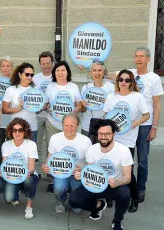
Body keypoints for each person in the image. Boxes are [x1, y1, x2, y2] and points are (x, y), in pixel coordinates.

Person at [69, 119, 133, 230]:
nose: (103, 137)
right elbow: (89, 171)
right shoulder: (92, 150)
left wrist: (118, 182)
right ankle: (99, 205)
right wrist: (81, 175)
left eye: (107, 134)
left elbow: (127, 177)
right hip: (95, 184)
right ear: (97, 134)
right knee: (74, 201)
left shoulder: (123, 150)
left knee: (125, 195)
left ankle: (117, 220)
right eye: (100, 134)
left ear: (113, 134)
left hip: (114, 185)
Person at [103, 69, 149, 212]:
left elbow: (147, 115)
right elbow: (105, 114)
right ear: (117, 82)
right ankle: (110, 195)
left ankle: (134, 198)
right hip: (112, 138)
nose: (123, 82)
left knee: (127, 172)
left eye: (127, 80)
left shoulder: (137, 97)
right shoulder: (111, 97)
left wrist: (137, 122)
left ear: (132, 82)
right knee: (110, 166)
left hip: (128, 139)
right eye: (121, 79)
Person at [129, 47, 163, 203]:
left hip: (145, 125)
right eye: (136, 56)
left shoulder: (154, 78)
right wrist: (90, 67)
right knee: (127, 159)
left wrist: (154, 127)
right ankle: (130, 186)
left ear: (148, 59)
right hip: (129, 126)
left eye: (142, 56)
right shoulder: (129, 74)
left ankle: (141, 189)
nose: (138, 59)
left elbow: (157, 104)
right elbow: (107, 74)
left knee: (142, 160)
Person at [44, 61, 82, 194]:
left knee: (69, 151)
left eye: (63, 70)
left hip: (70, 127)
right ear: (54, 73)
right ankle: (53, 180)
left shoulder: (73, 87)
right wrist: (48, 108)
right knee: (53, 152)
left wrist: (74, 111)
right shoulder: (50, 87)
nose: (60, 73)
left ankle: (70, 177)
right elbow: (46, 104)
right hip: (53, 125)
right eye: (58, 70)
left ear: (67, 72)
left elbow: (79, 105)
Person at [41, 114, 92, 214]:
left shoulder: (85, 141)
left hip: (77, 174)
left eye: (72, 125)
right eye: (66, 125)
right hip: (61, 172)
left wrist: (82, 170)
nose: (69, 128)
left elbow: (90, 163)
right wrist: (45, 166)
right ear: (62, 125)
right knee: (59, 188)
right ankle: (61, 200)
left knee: (77, 211)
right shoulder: (55, 138)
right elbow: (50, 157)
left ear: (77, 126)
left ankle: (74, 198)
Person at [1, 118, 39, 220]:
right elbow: (4, 164)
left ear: (25, 131)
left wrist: (27, 173)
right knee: (9, 198)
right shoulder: (6, 145)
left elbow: (31, 167)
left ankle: (29, 205)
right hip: (13, 176)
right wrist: (1, 171)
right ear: (10, 131)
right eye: (14, 130)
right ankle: (17, 191)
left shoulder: (31, 145)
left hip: (28, 174)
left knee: (28, 181)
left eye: (20, 130)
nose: (17, 133)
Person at [3, 62, 38, 143]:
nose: (29, 77)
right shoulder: (11, 89)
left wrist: (41, 107)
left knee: (30, 154)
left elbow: (37, 109)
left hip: (32, 128)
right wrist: (18, 109)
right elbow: (4, 110)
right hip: (15, 129)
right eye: (27, 74)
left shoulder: (36, 90)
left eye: (32, 75)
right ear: (19, 75)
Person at [80, 60, 114, 137]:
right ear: (90, 72)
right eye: (94, 70)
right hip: (87, 126)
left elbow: (115, 108)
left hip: (105, 127)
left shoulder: (111, 87)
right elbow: (82, 110)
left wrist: (108, 103)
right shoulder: (85, 88)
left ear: (104, 72)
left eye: (100, 70)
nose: (97, 73)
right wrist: (83, 106)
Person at [32, 51, 54, 160]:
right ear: (40, 64)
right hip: (38, 116)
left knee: (51, 145)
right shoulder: (34, 78)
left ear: (52, 63)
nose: (46, 66)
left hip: (53, 117)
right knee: (37, 145)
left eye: (48, 63)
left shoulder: (57, 76)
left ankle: (49, 171)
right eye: (43, 63)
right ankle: (37, 171)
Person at [0, 56, 14, 144]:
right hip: (0, 120)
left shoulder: (16, 83)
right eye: (3, 66)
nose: (5, 68)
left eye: (8, 66)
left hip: (11, 120)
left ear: (12, 67)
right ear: (0, 67)